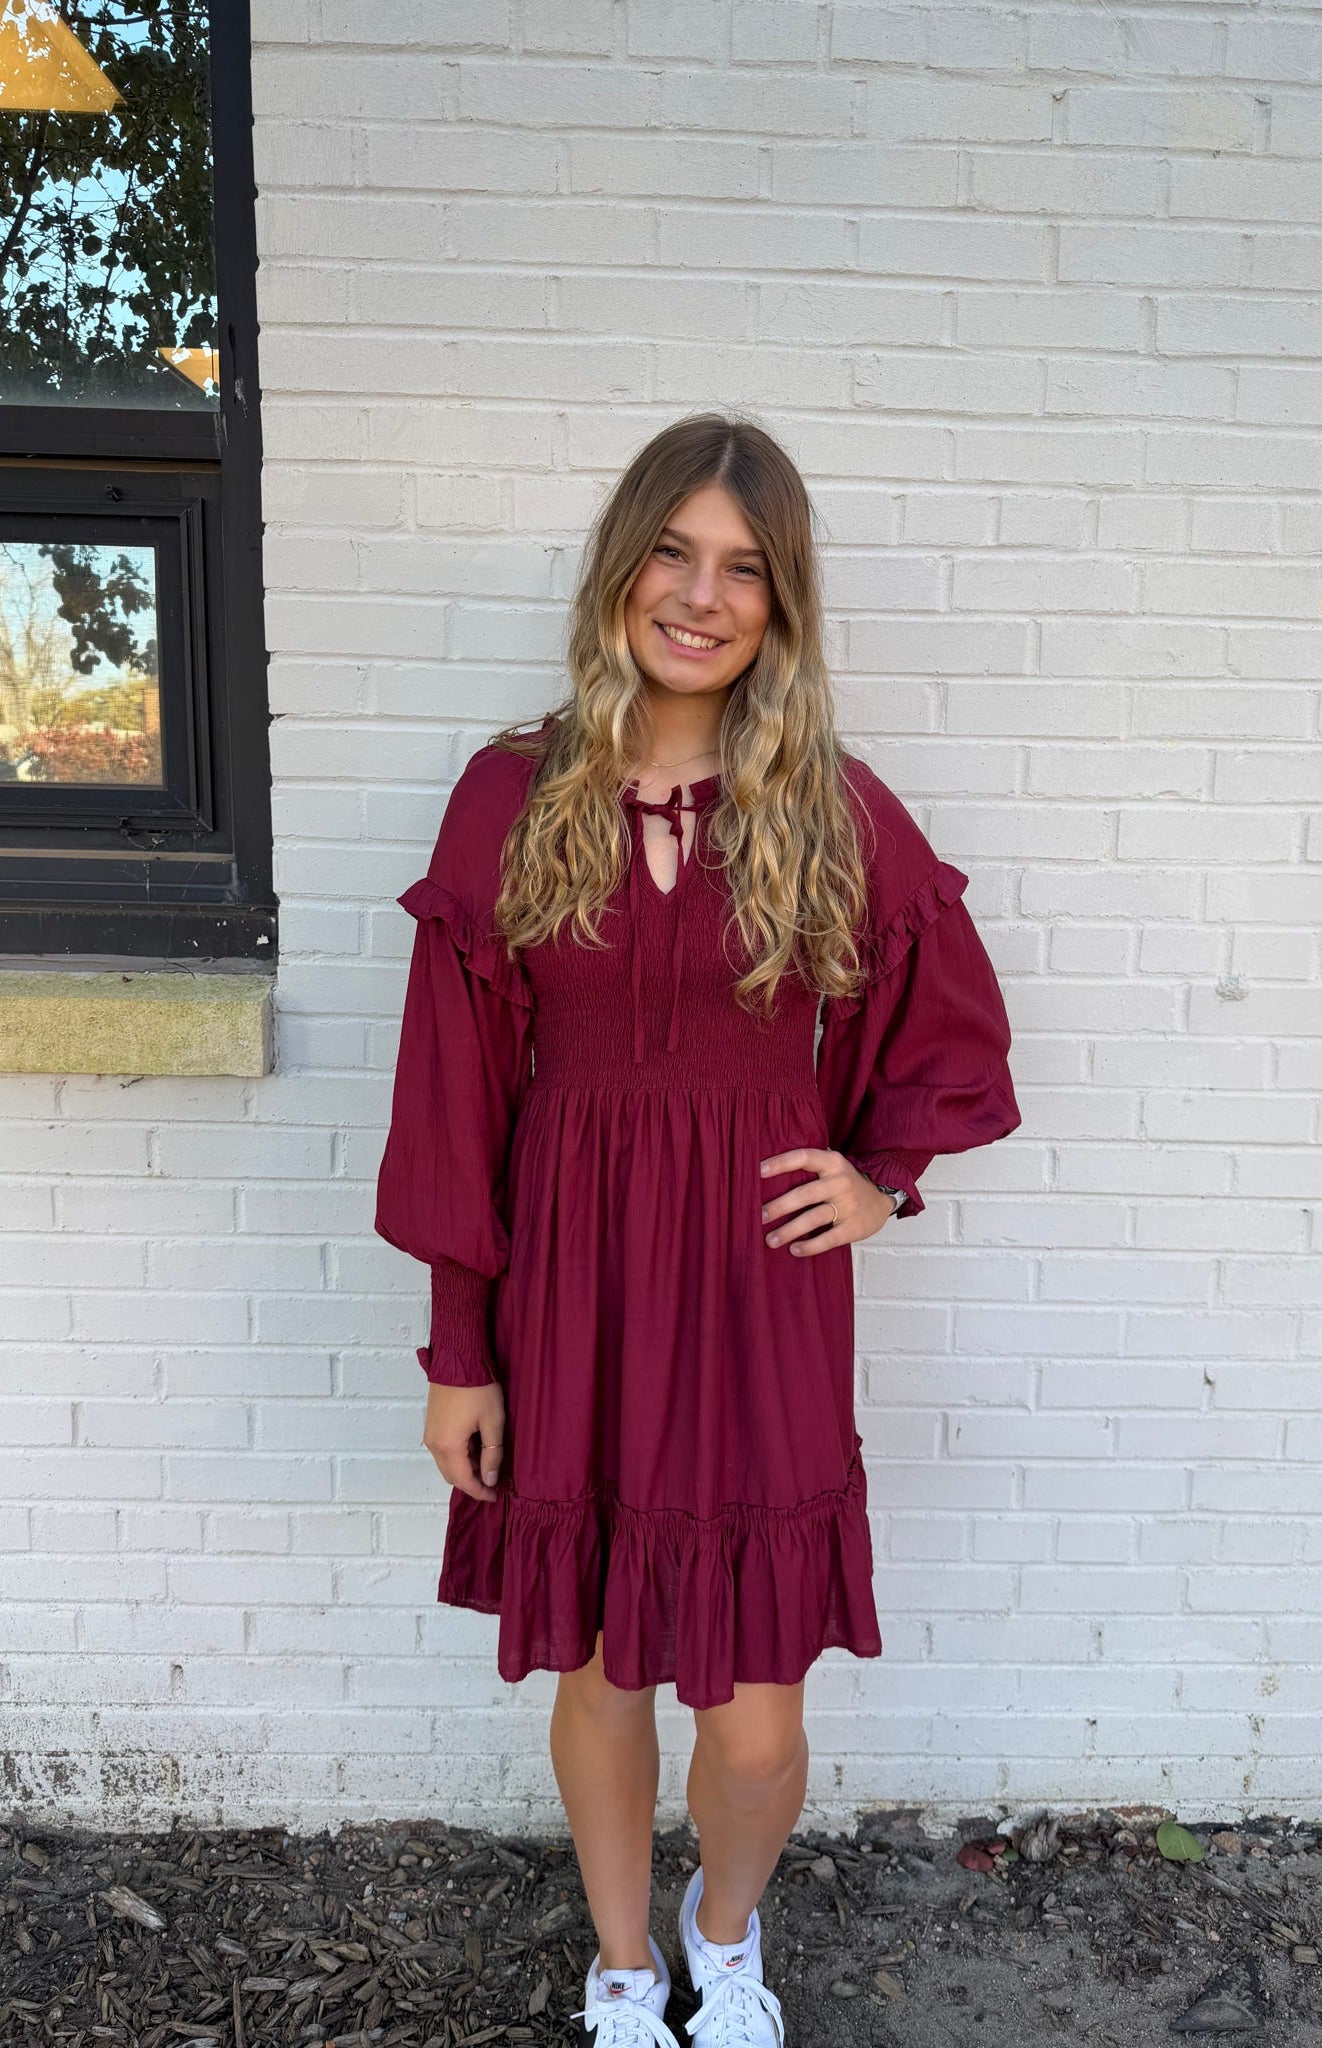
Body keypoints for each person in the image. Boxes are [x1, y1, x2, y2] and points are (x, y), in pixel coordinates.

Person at [375, 412, 1021, 2046]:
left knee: (748, 1722)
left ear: (779, 607)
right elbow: (458, 1098)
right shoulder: (510, 795)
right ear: (621, 567)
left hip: (751, 1292)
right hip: (569, 1279)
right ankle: (618, 1965)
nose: (700, 594)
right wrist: (463, 1349)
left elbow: (944, 1028)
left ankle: (721, 1938)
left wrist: (883, 1173)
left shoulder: (824, 805)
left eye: (743, 568)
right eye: (673, 549)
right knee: (601, 1666)